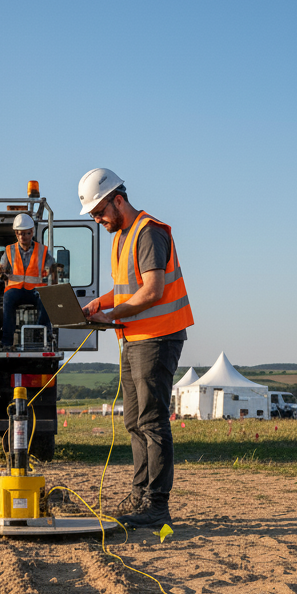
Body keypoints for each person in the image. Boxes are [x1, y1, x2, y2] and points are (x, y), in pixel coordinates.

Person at [78, 168, 194, 529]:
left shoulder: (149, 232)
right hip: (133, 338)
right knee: (133, 421)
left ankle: (157, 506)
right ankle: (140, 494)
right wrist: (100, 304)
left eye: (99, 212)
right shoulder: (123, 237)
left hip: (157, 338)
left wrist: (112, 314)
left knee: (152, 421)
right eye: (94, 215)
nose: (98, 220)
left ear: (118, 199)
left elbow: (152, 290)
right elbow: (129, 288)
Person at [0, 213, 53, 348]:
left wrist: (52, 273)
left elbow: (51, 268)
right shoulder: (9, 250)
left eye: (25, 234)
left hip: (36, 290)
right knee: (7, 298)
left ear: (32, 233)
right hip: (16, 290)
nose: (21, 237)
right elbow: (2, 268)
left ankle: (40, 336)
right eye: (18, 234)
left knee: (47, 298)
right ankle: (7, 341)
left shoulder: (42, 251)